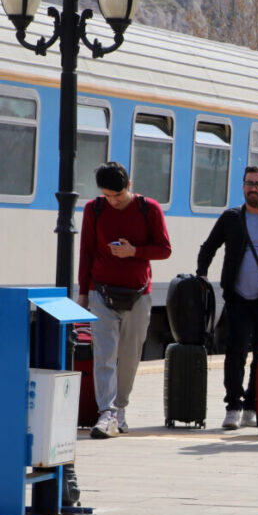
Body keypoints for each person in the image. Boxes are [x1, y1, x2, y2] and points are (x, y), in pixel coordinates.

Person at [77, 161, 172, 438]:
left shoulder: (148, 208)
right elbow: (86, 251)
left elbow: (165, 249)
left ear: (129, 186)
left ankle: (120, 408)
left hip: (138, 294)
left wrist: (134, 252)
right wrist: (83, 293)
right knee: (104, 354)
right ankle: (106, 412)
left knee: (129, 357)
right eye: (107, 195)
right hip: (100, 291)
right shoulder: (94, 209)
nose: (113, 201)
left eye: (118, 195)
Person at [197, 166, 258, 430]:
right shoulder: (231, 218)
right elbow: (209, 247)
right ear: (243, 187)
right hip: (238, 296)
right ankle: (233, 407)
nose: (253, 188)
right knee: (235, 351)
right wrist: (201, 275)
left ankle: (252, 405)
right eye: (249, 183)